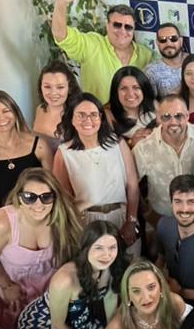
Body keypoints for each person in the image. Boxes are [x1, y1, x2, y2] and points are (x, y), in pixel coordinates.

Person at [17, 222, 125, 329]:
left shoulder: (109, 266)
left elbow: (109, 300)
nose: (107, 255)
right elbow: (58, 325)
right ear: (86, 248)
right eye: (99, 248)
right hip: (44, 326)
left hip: (79, 316)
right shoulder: (65, 280)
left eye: (112, 247)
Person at [0, 169, 81, 321]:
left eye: (46, 197)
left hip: (51, 292)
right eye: (30, 197)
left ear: (55, 197)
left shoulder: (60, 217)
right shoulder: (2, 223)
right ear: (19, 197)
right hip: (14, 295)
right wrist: (7, 285)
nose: (38, 205)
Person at [52, 93, 140, 244]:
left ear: (101, 118)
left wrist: (131, 221)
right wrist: (75, 229)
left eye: (94, 114)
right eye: (81, 115)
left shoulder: (117, 144)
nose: (88, 120)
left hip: (121, 216)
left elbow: (133, 186)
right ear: (71, 119)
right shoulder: (64, 153)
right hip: (86, 221)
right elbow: (64, 198)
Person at [51, 0, 152, 103]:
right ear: (107, 26)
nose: (122, 31)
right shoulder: (91, 44)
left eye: (128, 27)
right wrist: (61, 3)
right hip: (96, 115)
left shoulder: (145, 55)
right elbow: (60, 35)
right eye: (117, 25)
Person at [0, 90, 54, 220]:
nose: (1, 118)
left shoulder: (39, 145)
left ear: (15, 112)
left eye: (6, 111)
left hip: (39, 215)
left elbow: (53, 186)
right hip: (3, 219)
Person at [133, 94, 194, 234]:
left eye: (179, 116)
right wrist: (148, 214)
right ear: (158, 118)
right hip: (160, 222)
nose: (173, 122)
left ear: (187, 116)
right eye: (166, 117)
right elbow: (130, 186)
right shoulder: (143, 148)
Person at [32, 61, 81, 150]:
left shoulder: (77, 115)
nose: (53, 93)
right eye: (47, 87)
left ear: (69, 88)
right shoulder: (39, 109)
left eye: (60, 87)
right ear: (40, 87)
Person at [106, 66, 157, 149]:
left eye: (136, 87)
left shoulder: (155, 106)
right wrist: (131, 142)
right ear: (115, 92)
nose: (130, 93)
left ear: (144, 89)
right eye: (124, 88)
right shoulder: (108, 115)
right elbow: (107, 150)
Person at [145, 22, 189, 97]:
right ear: (157, 43)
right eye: (162, 40)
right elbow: (150, 101)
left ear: (181, 41)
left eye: (173, 39)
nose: (168, 43)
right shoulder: (151, 72)